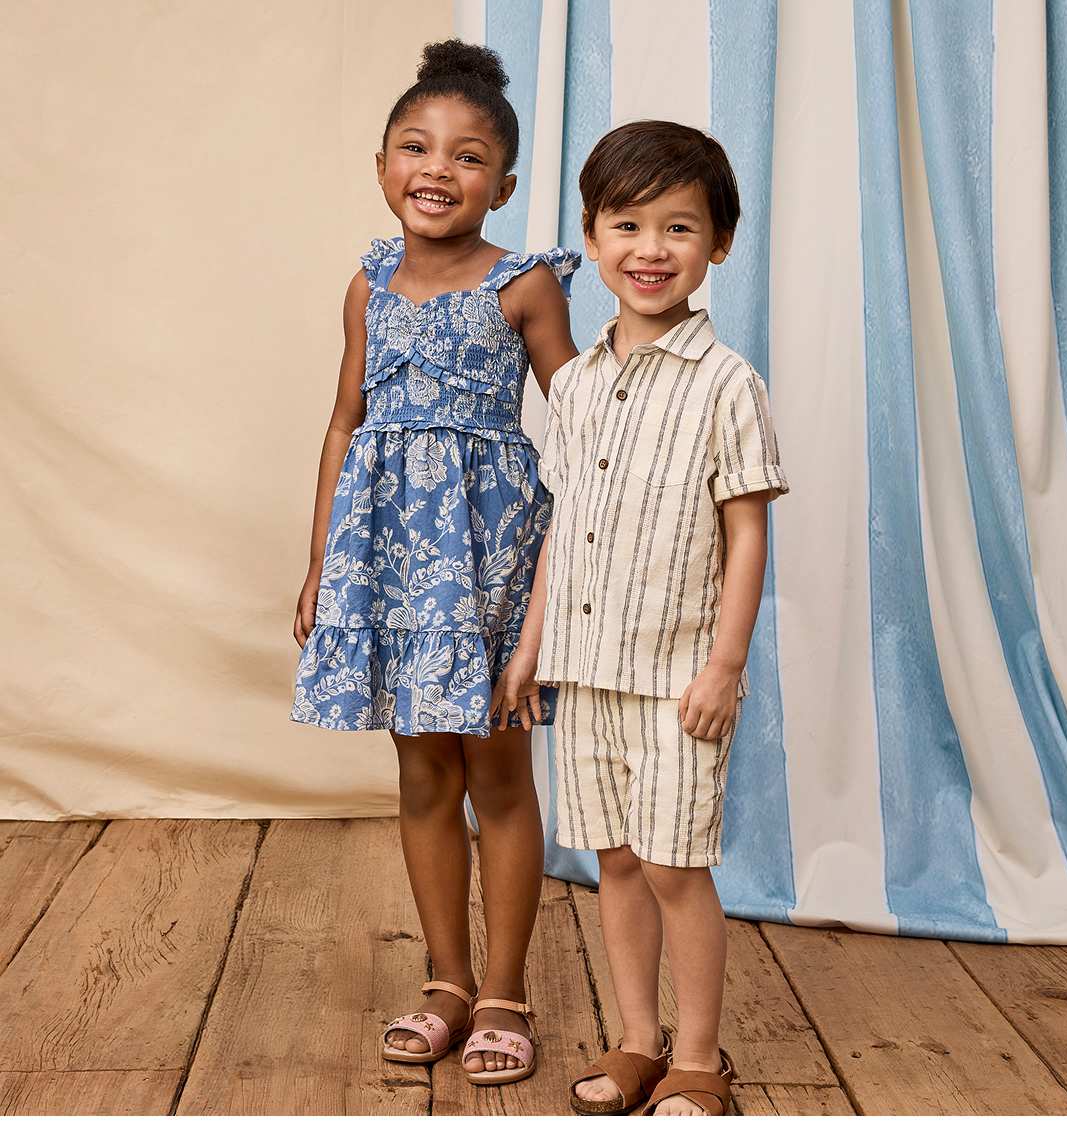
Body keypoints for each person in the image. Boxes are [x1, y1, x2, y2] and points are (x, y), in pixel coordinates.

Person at [290, 38, 579, 1086]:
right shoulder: (369, 284)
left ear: (501, 185)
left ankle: (504, 989)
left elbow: (583, 423)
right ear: (381, 167)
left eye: (467, 157)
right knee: (420, 771)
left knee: (495, 770)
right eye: (416, 146)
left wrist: (570, 578)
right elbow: (341, 424)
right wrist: (322, 563)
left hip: (490, 557)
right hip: (386, 563)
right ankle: (447, 981)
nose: (437, 169)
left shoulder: (525, 284)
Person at [493, 120, 789, 1115]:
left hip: (676, 680)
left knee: (673, 864)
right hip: (585, 675)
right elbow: (563, 527)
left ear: (719, 244)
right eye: (627, 224)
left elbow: (745, 532)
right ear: (591, 233)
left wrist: (725, 664)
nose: (650, 249)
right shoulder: (571, 386)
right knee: (615, 861)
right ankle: (637, 1040)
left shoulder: (725, 383)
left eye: (679, 227)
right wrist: (533, 648)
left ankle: (699, 1057)